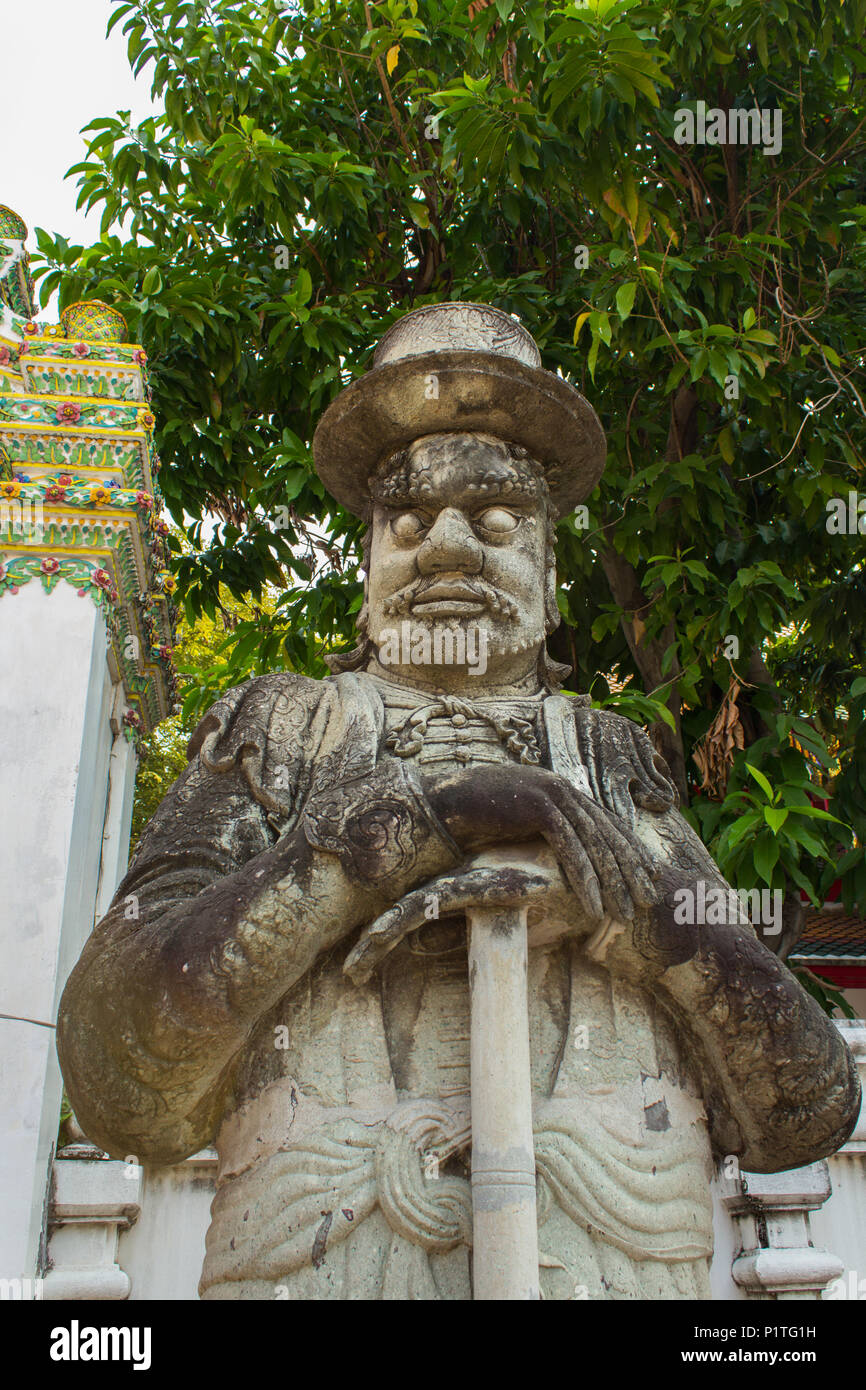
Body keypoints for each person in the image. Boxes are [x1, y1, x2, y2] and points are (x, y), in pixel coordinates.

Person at [58, 303, 859, 1300]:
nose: (443, 548)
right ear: (365, 573)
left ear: (549, 573)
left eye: (492, 520)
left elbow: (802, 1101)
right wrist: (384, 838)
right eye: (403, 521)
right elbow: (118, 1072)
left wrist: (620, 903)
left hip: (604, 1257)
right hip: (323, 1254)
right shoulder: (279, 729)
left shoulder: (610, 754)